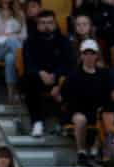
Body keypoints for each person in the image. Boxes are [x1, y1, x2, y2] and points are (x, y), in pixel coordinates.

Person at [60, 39, 112, 166]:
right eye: (86, 53)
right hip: (77, 110)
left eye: (92, 53)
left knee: (105, 116)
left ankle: (96, 150)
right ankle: (81, 152)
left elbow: (108, 96)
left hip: (98, 111)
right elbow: (66, 97)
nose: (89, 56)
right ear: (81, 55)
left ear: (96, 55)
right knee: (80, 119)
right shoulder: (73, 75)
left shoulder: (104, 75)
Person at [21, 10, 72, 138]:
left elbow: (69, 63)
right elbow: (28, 64)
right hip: (37, 79)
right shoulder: (29, 42)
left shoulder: (64, 41)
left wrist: (56, 76)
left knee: (72, 80)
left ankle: (65, 123)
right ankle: (37, 122)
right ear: (37, 25)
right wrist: (41, 73)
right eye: (43, 23)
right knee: (28, 81)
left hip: (58, 79)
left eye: (50, 22)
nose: (46, 26)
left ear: (55, 24)